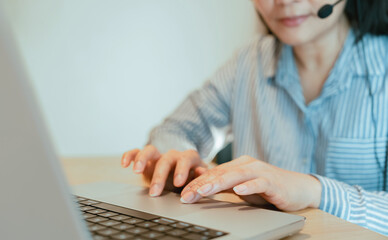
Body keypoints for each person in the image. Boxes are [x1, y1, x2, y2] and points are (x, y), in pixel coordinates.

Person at [122, 0, 388, 235]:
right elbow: (172, 133)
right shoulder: (249, 62)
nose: (284, 1)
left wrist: (312, 190)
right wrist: (178, 163)